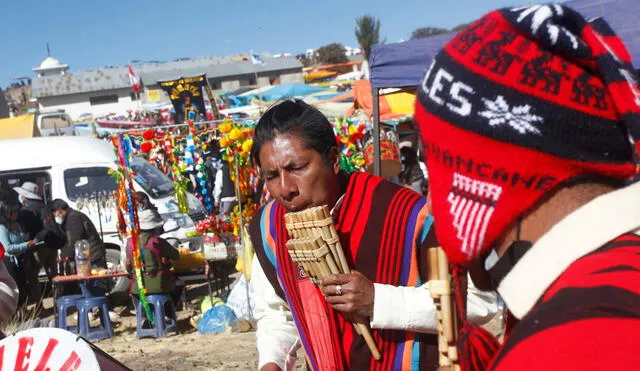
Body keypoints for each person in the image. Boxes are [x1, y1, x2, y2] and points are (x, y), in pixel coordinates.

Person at [414, 5, 640, 369]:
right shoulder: (612, 280)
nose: (433, 197)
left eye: (440, 167)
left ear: (483, 176)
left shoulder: (563, 348)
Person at [249, 99, 497, 370]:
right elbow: (278, 313)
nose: (286, 189)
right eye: (271, 176)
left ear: (333, 158)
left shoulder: (411, 215)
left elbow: (476, 301)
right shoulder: (269, 227)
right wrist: (272, 361)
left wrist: (380, 300)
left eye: (297, 168)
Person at [50, 199, 107, 296]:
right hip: (87, 256)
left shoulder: (73, 218)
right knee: (90, 286)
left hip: (92, 256)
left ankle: (98, 307)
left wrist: (65, 256)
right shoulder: (71, 217)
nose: (55, 216)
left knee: (94, 286)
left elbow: (74, 240)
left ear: (59, 211)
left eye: (55, 214)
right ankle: (93, 307)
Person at [126, 207, 181, 304]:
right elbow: (176, 256)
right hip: (161, 286)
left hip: (138, 287)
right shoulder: (158, 242)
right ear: (155, 227)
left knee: (134, 293)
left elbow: (128, 267)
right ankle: (169, 311)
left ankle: (142, 315)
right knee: (179, 284)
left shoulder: (130, 242)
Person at [0, 202, 37, 306]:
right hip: (10, 263)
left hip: (20, 260)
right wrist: (25, 245)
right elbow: (8, 248)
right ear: (8, 213)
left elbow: (20, 240)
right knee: (15, 288)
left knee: (22, 286)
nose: (16, 215)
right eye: (14, 213)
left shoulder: (16, 225)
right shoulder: (2, 228)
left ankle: (23, 310)